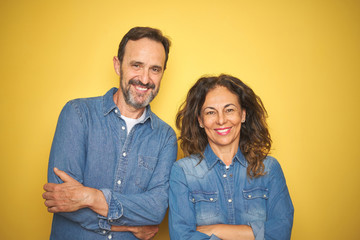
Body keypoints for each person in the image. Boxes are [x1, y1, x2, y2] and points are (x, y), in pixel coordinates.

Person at [42, 27, 178, 240]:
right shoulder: (78, 114)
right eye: (136, 65)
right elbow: (60, 199)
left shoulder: (165, 137)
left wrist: (90, 196)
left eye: (155, 69)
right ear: (118, 65)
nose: (144, 79)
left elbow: (156, 210)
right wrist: (129, 227)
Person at [169, 74, 294, 240]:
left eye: (229, 110)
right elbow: (181, 237)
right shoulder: (183, 172)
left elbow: (281, 233)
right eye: (210, 112)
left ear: (243, 115)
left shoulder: (269, 168)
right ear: (200, 120)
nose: (221, 120)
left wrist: (215, 230)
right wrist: (254, 234)